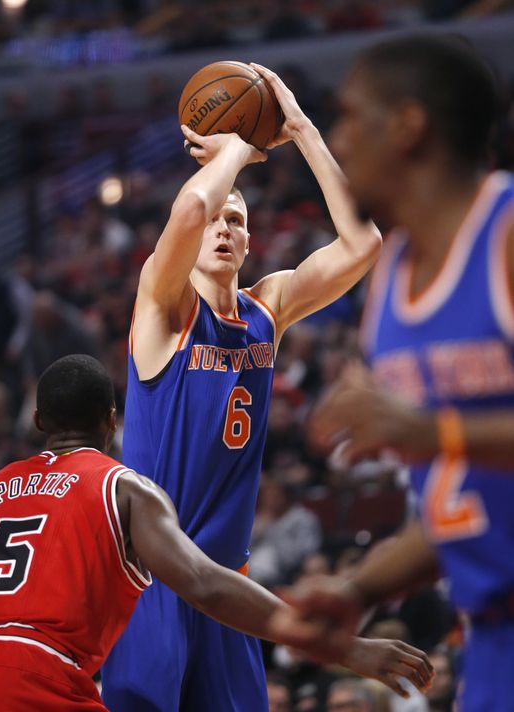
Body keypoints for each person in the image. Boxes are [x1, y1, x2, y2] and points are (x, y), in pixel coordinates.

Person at [99, 59, 431, 712]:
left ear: (251, 241)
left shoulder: (265, 312)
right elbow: (193, 204)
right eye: (216, 221)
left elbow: (362, 244)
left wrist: (302, 127)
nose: (223, 228)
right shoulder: (162, 310)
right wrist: (238, 151)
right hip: (153, 586)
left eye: (238, 222)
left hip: (232, 592)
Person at [267, 33, 514, 712]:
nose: (339, 140)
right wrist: (359, 590)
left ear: (409, 125)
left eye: (350, 116)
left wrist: (436, 431)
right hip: (493, 640)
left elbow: (446, 440)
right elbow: (462, 508)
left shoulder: (505, 233)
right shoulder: (391, 286)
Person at [0, 354, 286, 710]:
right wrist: (318, 634)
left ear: (37, 421)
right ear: (112, 419)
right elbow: (204, 583)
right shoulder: (123, 488)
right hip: (43, 674)